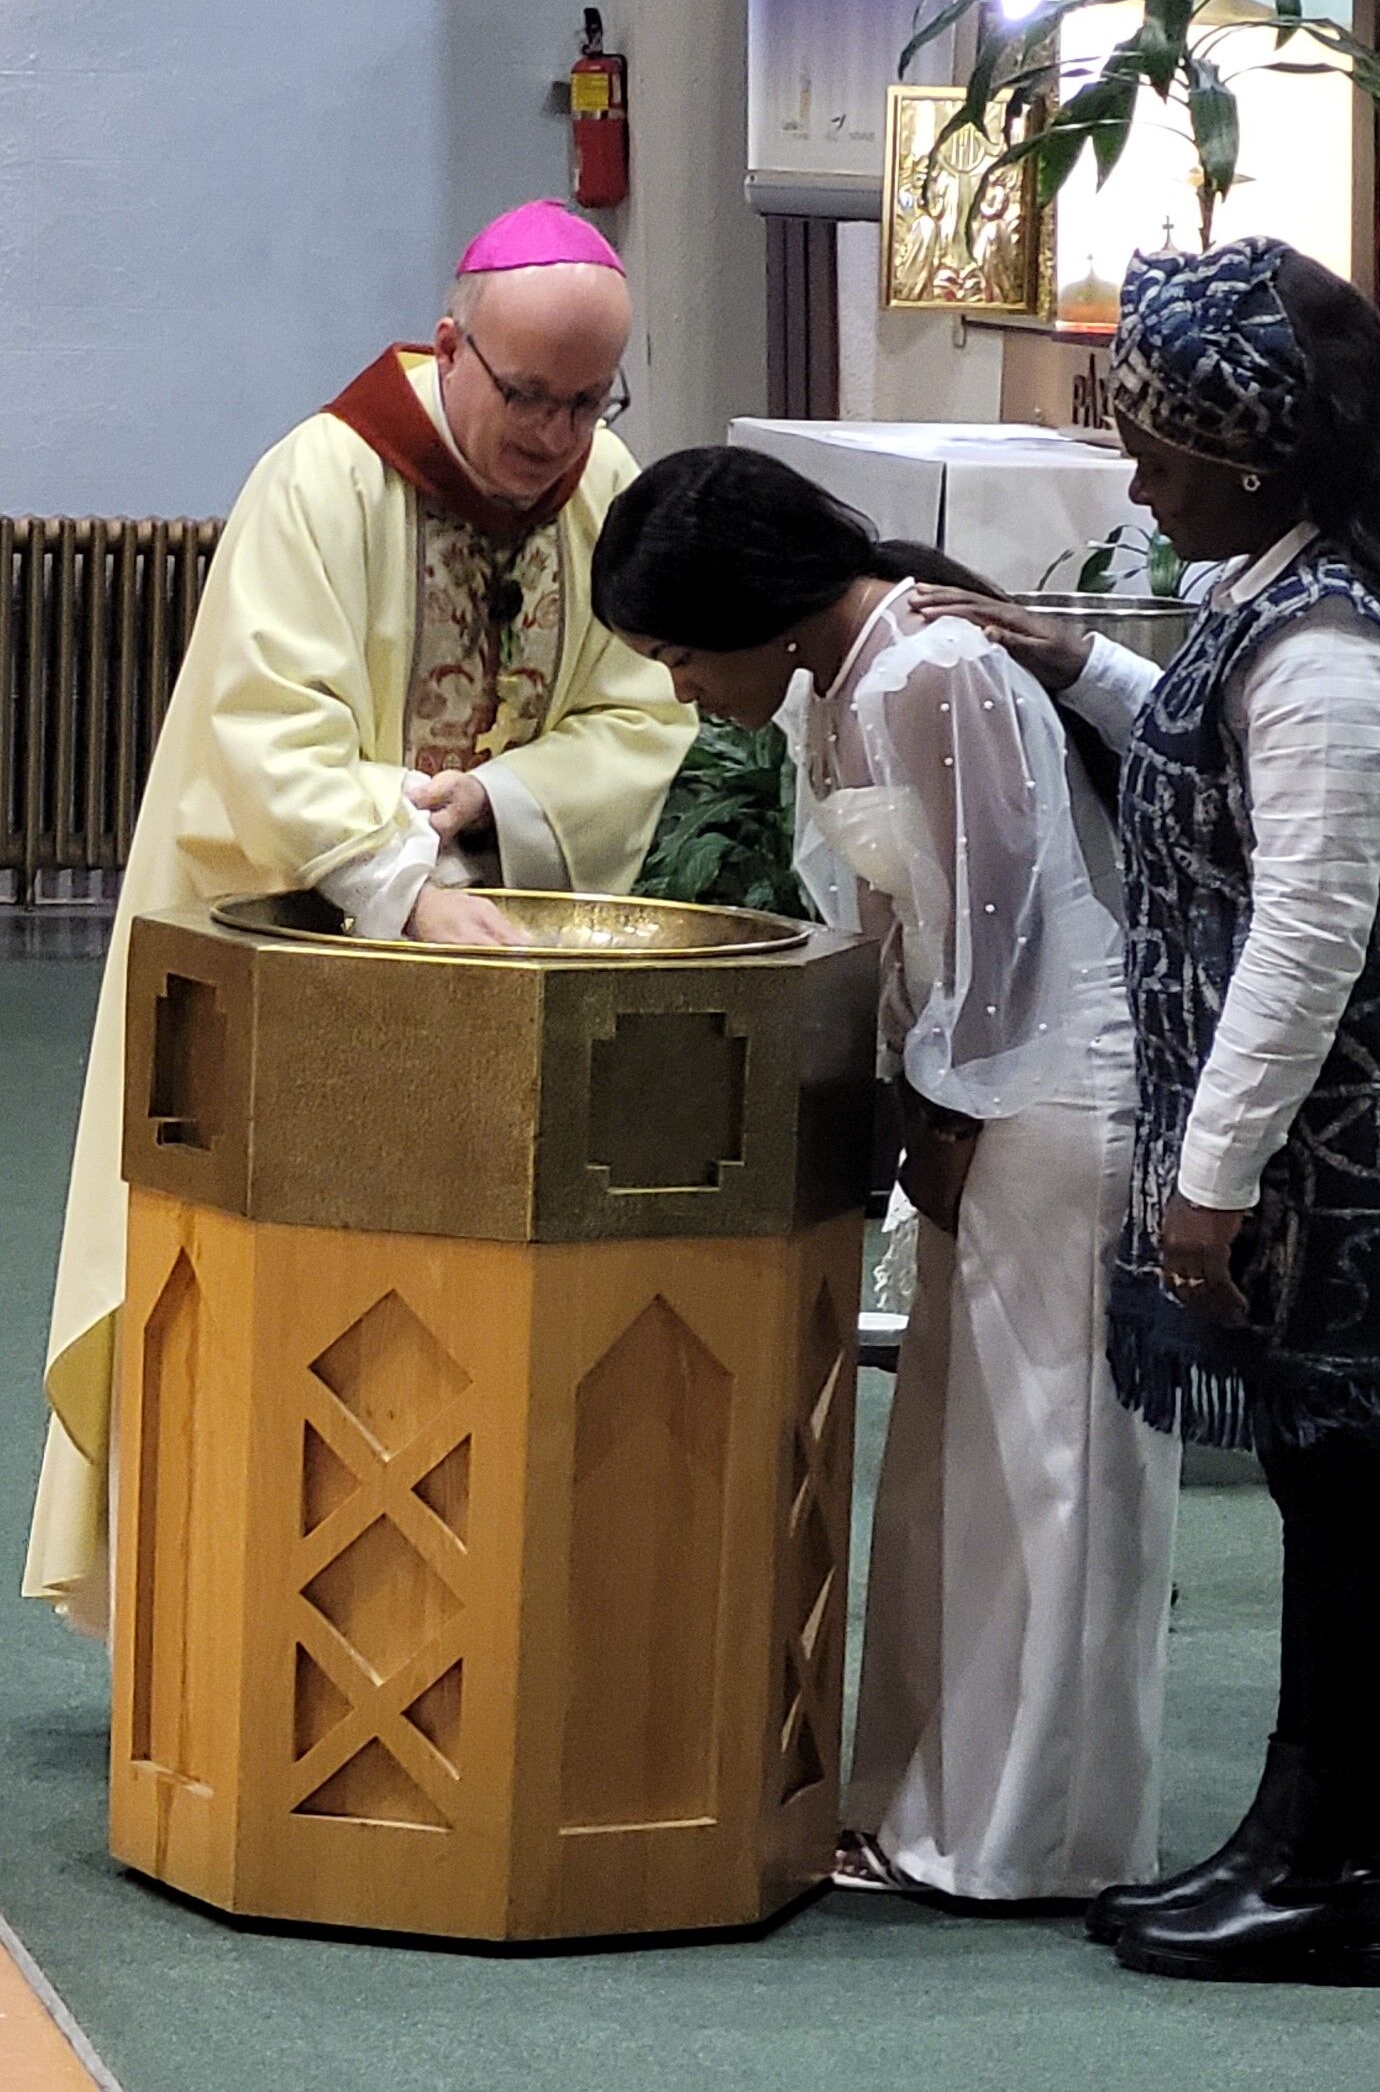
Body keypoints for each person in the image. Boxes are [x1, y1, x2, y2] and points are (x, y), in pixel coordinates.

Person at [917, 235, 1380, 1984]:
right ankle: (1288, 1841)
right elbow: (1218, 765)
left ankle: (1333, 1876)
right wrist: (1074, 664)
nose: (1137, 482)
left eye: (1158, 453)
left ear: (1255, 462)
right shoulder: (1298, 585)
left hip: (1355, 1153)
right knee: (1336, 1500)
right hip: (1348, 1137)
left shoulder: (1329, 649)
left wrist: (1211, 1179)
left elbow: (1306, 937)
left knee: (1347, 1503)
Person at [24, 200, 695, 1634]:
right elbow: (265, 730)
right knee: (285, 1295)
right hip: (307, 963)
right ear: (452, 348)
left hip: (507, 958)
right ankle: (230, 1622)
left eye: (592, 402)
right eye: (530, 396)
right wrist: (406, 883)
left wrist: (502, 797)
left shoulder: (604, 492)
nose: (559, 439)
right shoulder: (322, 482)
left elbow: (645, 717)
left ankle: (449, 1623)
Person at [591, 444, 1180, 1906]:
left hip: (1050, 1092)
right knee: (949, 1472)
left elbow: (1006, 920)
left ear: (755, 605)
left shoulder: (931, 669)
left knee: (1049, 1470)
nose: (683, 690)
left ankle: (1029, 1837)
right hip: (979, 1085)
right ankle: (928, 1806)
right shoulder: (848, 677)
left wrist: (945, 1117)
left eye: (680, 653)